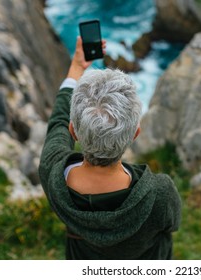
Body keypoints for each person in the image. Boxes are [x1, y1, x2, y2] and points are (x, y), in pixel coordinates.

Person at [38, 36, 181, 260]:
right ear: (135, 134)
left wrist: (76, 67)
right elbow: (172, 226)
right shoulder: (159, 193)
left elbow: (58, 123)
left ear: (73, 131)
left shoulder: (53, 173)